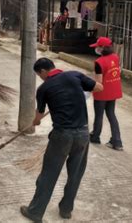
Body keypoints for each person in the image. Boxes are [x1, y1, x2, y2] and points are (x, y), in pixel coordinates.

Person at [20, 58, 103, 222]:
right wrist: (81, 91)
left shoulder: (44, 88)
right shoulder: (75, 76)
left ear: (43, 71)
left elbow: (37, 118)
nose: (41, 78)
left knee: (48, 175)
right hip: (82, 135)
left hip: (62, 136)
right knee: (75, 174)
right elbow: (99, 88)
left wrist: (36, 121)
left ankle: (35, 212)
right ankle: (66, 210)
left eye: (39, 75)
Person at [89, 37, 123, 151]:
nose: (96, 49)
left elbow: (98, 83)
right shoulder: (116, 57)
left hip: (102, 93)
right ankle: (117, 141)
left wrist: (89, 89)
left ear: (102, 48)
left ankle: (95, 137)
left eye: (98, 47)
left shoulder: (99, 62)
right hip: (113, 91)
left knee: (99, 115)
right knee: (111, 114)